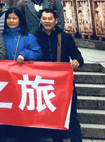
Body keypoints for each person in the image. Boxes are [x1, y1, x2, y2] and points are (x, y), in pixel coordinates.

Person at [34, 9, 84, 142]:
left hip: (63, 83)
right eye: (44, 18)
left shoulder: (65, 37)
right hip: (42, 83)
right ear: (40, 20)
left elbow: (78, 56)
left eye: (50, 18)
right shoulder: (34, 37)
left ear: (56, 21)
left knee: (71, 115)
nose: (47, 21)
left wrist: (77, 61)